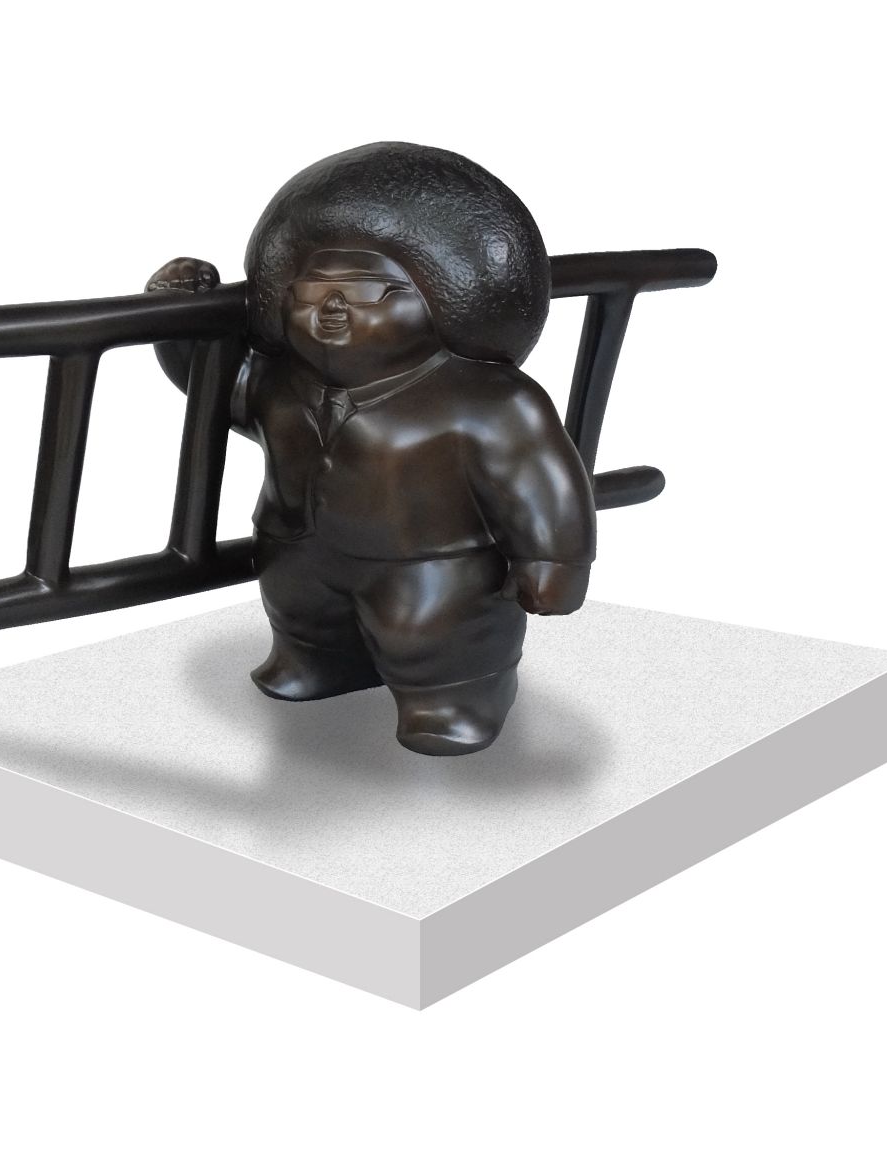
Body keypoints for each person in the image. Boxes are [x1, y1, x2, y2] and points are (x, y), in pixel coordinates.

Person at [149, 142, 594, 755]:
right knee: (306, 621)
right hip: (298, 553)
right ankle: (315, 662)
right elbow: (211, 389)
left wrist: (553, 562)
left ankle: (454, 700)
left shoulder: (487, 399)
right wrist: (175, 317)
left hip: (432, 568)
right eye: (310, 294)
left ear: (438, 304)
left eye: (364, 293)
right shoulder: (277, 382)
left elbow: (538, 477)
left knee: (434, 639)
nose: (331, 310)